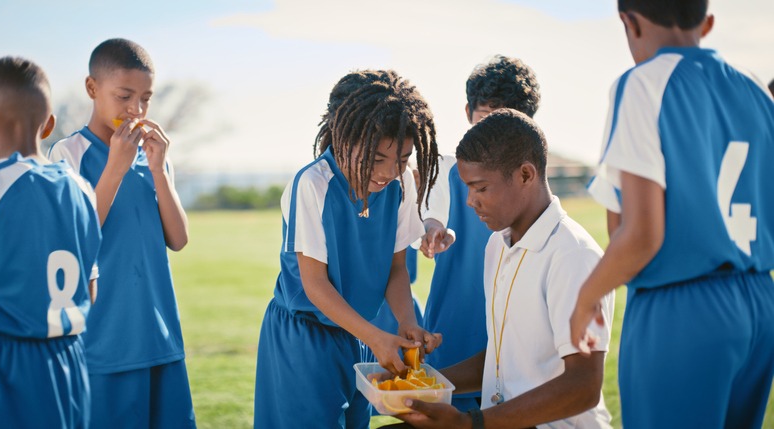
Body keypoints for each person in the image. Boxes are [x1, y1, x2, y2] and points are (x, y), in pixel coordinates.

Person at [570, 1, 774, 428]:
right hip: (759, 300)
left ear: (628, 22)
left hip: (682, 308)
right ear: (707, 23)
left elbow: (640, 235)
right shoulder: (756, 90)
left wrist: (587, 297)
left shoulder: (642, 83)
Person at [394, 109, 614, 429]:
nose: (470, 201)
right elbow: (504, 359)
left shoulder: (573, 256)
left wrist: (471, 423)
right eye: (467, 188)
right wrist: (418, 383)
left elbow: (584, 386)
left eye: (481, 188)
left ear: (525, 175)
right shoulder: (498, 245)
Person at [254, 69, 442, 429]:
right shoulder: (313, 184)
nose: (389, 172)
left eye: (403, 159)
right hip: (304, 337)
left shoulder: (401, 185)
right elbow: (314, 284)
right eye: (376, 158)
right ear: (343, 138)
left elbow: (397, 269)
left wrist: (407, 323)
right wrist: (375, 336)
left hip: (357, 334)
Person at [47, 38, 196, 428]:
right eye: (124, 96)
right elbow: (72, 238)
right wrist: (115, 166)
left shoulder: (154, 156)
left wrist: (159, 170)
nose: (136, 110)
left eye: (145, 99)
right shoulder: (68, 154)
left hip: (160, 335)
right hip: (105, 343)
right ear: (92, 88)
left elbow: (178, 239)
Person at [0, 56, 101, 428]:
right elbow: (90, 291)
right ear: (49, 124)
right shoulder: (82, 188)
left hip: (6, 362)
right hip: (71, 359)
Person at [417, 55, 541, 411]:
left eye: (505, 122)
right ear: (468, 113)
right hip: (455, 326)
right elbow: (431, 213)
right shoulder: (446, 171)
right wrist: (432, 229)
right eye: (485, 119)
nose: (493, 136)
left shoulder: (532, 183)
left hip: (512, 334)